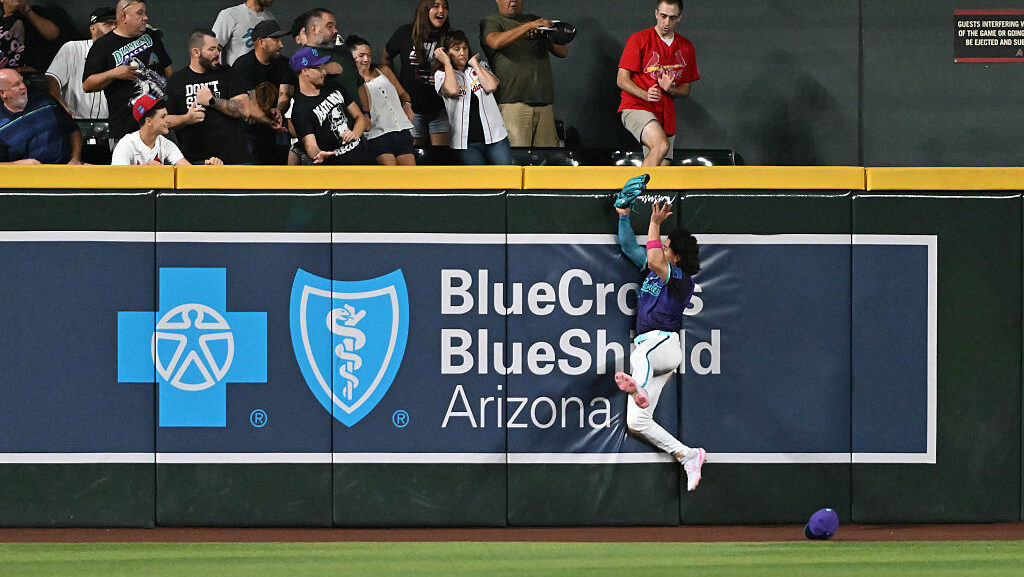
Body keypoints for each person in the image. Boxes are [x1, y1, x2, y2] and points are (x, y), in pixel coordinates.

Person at [613, 175, 706, 491]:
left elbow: (653, 257)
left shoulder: (680, 278)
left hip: (661, 343)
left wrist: (654, 223)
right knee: (636, 422)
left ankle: (637, 386)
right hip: (654, 350)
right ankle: (688, 455)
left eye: (667, 247)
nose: (661, 248)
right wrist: (624, 214)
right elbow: (629, 247)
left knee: (641, 357)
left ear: (676, 257)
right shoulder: (653, 270)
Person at [83, 0, 191, 145]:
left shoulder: (151, 36)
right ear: (123, 16)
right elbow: (87, 85)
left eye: (145, 13)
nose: (145, 17)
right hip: (126, 130)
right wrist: (114, 73)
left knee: (170, 165)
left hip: (162, 126)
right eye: (140, 13)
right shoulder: (103, 46)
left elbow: (168, 71)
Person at [617, 0, 699, 167]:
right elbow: (621, 79)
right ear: (656, 13)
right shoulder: (639, 39)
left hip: (665, 114)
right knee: (661, 145)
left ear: (679, 18)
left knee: (662, 169)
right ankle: (634, 193)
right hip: (636, 106)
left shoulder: (686, 47)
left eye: (672, 17)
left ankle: (647, 192)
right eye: (663, 16)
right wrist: (645, 94)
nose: (666, 22)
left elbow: (685, 90)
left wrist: (670, 89)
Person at [480, 0, 567, 148]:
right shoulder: (492, 21)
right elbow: (495, 42)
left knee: (547, 162)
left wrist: (545, 34)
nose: (513, 0)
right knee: (516, 158)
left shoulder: (535, 20)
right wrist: (528, 26)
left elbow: (562, 52)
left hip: (544, 104)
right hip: (513, 104)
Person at [166, 28, 255, 165]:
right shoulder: (177, 81)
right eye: (211, 49)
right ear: (196, 52)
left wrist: (213, 101)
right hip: (196, 161)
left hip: (234, 160)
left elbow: (244, 110)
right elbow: (165, 120)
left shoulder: (228, 73)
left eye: (218, 48)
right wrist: (186, 118)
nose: (217, 53)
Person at [433, 30, 511, 165]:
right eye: (456, 49)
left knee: (506, 179)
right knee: (479, 183)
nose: (462, 53)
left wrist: (475, 63)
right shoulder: (441, 74)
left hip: (495, 138)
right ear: (446, 52)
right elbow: (452, 90)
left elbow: (492, 86)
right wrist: (446, 62)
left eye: (464, 48)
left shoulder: (480, 67)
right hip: (466, 144)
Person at [382, 0, 450, 148]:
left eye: (445, 7)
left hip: (440, 108)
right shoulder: (405, 33)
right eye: (436, 6)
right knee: (413, 155)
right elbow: (386, 56)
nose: (441, 11)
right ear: (425, 9)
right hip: (411, 108)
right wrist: (393, 86)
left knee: (442, 157)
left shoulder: (449, 36)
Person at [289, 46, 369, 165]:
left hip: (363, 157)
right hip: (338, 169)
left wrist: (355, 133)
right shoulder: (300, 109)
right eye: (318, 68)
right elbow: (310, 146)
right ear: (305, 70)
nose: (323, 71)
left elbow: (360, 117)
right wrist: (319, 155)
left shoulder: (334, 87)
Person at [230, 18, 293, 164]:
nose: (281, 45)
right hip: (249, 133)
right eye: (276, 40)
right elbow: (247, 104)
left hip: (277, 131)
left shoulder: (284, 64)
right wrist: (266, 119)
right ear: (261, 42)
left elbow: (285, 94)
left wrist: (278, 109)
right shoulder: (243, 65)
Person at [348, 35, 415, 166]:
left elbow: (403, 93)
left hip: (401, 130)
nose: (366, 59)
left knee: (410, 178)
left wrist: (407, 105)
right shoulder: (351, 83)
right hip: (377, 134)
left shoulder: (383, 70)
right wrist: (360, 77)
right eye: (361, 55)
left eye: (369, 55)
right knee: (390, 179)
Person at [45, 7, 117, 119]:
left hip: (109, 127)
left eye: (116, 24)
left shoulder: (121, 54)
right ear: (93, 28)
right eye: (108, 24)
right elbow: (51, 79)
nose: (114, 27)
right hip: (75, 123)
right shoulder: (73, 48)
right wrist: (59, 105)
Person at [111, 93, 220, 165]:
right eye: (163, 117)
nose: (167, 120)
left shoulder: (166, 144)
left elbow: (187, 170)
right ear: (148, 121)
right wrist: (141, 170)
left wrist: (206, 165)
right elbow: (117, 178)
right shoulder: (127, 143)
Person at [0, 67, 81, 164]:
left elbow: (73, 131)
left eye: (22, 81)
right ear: (3, 93)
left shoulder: (47, 101)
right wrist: (16, 164)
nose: (23, 87)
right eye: (16, 85)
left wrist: (75, 158)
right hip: (24, 177)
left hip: (63, 170)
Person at [300, 8, 368, 114]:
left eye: (335, 26)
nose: (335, 30)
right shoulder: (303, 60)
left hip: (359, 123)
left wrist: (366, 113)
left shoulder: (344, 52)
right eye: (329, 26)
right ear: (314, 29)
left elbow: (359, 84)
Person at [211, 0, 276, 66]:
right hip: (236, 73)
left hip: (263, 73)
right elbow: (214, 47)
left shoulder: (270, 18)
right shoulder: (230, 14)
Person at [0, 0, 59, 70]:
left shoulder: (34, 12)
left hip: (29, 74)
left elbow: (53, 34)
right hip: (5, 75)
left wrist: (28, 11)